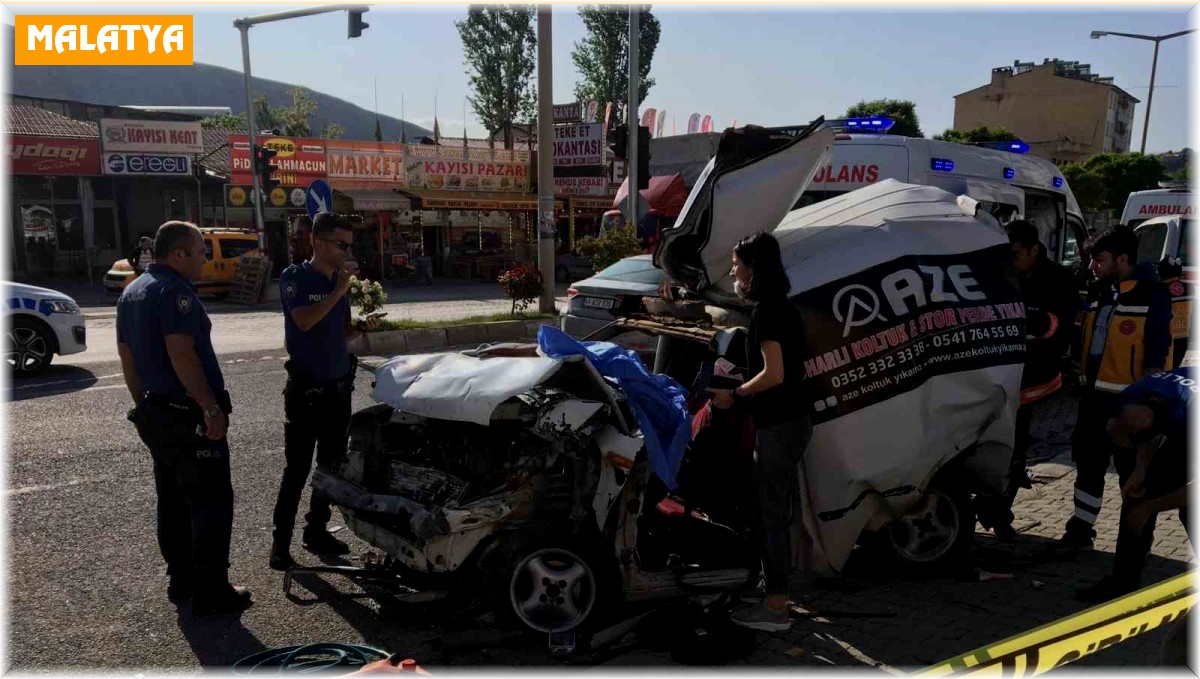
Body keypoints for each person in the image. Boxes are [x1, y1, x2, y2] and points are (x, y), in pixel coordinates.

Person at [116, 221, 251, 615]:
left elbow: (127, 356)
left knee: (172, 499)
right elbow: (182, 354)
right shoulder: (175, 293)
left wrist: (143, 405)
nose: (205, 260)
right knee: (210, 499)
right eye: (199, 252)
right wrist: (209, 407)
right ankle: (212, 591)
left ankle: (181, 578)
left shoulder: (133, 291)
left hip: (156, 413)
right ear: (179, 254)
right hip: (187, 414)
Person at [709, 231, 811, 633]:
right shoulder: (780, 307)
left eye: (737, 265)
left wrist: (736, 393)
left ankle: (775, 608)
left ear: (754, 269)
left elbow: (775, 374)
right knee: (776, 510)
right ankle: (777, 592)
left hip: (779, 425)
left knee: (772, 514)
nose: (733, 271)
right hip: (792, 421)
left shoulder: (769, 312)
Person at [269, 212, 381, 571]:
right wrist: (337, 292)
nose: (347, 251)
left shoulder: (337, 282)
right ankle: (280, 545)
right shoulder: (296, 277)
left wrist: (360, 327)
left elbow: (339, 332)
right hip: (306, 390)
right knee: (297, 469)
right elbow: (304, 321)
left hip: (337, 388)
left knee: (331, 466)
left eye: (350, 245)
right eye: (341, 244)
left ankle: (316, 529)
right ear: (319, 242)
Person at [1060, 227, 1173, 549]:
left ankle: (1134, 543)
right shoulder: (1098, 291)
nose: (1092, 265)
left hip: (1130, 402)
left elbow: (1157, 348)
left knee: (1131, 473)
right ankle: (1080, 530)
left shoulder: (1152, 293)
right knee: (1088, 464)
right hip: (1094, 399)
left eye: (1099, 259)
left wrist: (1150, 401)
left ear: (1122, 259)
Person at [976, 220, 1078, 540]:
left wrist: (1016, 318)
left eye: (1016, 252)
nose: (1010, 259)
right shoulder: (998, 273)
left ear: (1034, 250)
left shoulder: (1059, 280)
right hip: (994, 378)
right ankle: (989, 505)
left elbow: (1057, 330)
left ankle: (997, 512)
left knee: (1014, 449)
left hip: (1032, 379)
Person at [1076, 368, 1193, 602]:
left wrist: (1150, 508)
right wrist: (1140, 470)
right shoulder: (1133, 396)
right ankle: (1122, 585)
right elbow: (1150, 435)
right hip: (1180, 417)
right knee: (1138, 495)